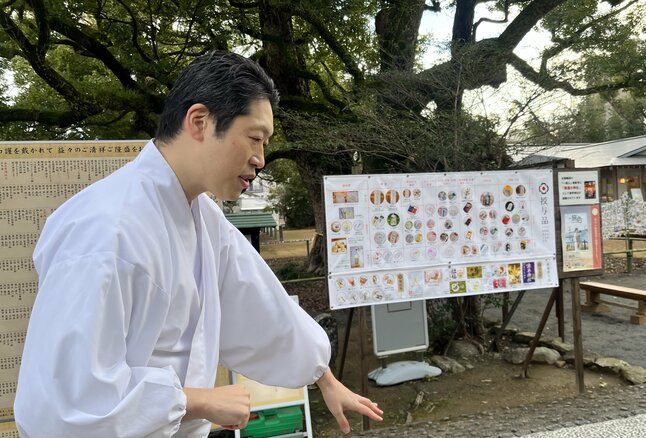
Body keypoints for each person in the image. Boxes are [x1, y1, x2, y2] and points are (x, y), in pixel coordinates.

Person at [14, 51, 382, 437]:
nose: (261, 159)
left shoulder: (204, 217)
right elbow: (68, 403)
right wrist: (199, 401)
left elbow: (256, 301)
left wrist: (323, 376)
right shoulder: (104, 230)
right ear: (200, 122)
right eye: (255, 138)